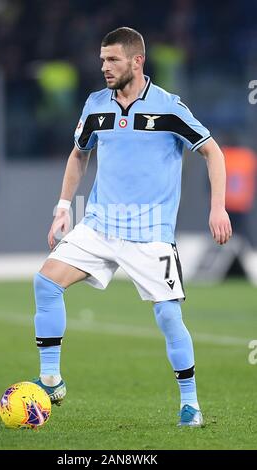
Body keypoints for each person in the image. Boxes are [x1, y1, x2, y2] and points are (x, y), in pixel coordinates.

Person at [32, 27, 232, 427]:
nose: (104, 67)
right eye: (102, 59)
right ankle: (51, 378)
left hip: (150, 233)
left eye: (113, 60)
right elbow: (78, 155)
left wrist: (218, 208)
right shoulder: (95, 105)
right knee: (46, 281)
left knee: (169, 319)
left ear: (137, 61)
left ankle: (190, 404)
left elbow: (212, 152)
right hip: (100, 224)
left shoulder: (168, 108)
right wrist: (62, 206)